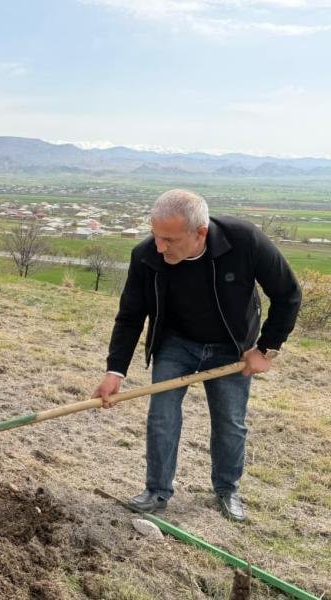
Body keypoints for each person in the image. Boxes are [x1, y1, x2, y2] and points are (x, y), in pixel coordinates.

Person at [92, 189, 301, 521]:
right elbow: (131, 316)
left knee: (230, 423)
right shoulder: (147, 255)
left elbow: (288, 293)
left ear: (200, 232)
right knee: (161, 416)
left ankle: (227, 490)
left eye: (170, 240)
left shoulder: (243, 240)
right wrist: (114, 372)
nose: (160, 247)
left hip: (231, 350)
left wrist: (266, 350)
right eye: (155, 236)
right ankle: (156, 491)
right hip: (176, 344)